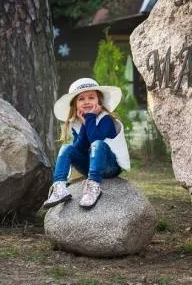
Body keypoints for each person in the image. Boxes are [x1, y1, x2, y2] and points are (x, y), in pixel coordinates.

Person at [42, 77, 131, 209]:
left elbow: (96, 139)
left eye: (91, 97)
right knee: (67, 148)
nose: (87, 102)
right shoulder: (77, 123)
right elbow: (79, 149)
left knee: (97, 145)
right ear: (75, 104)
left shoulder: (105, 119)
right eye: (81, 99)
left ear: (99, 101)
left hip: (109, 166)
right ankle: (59, 186)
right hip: (89, 164)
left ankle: (93, 187)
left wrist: (90, 118)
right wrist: (84, 124)